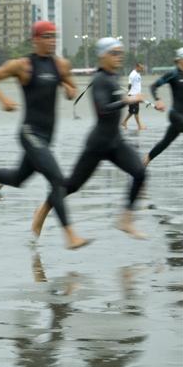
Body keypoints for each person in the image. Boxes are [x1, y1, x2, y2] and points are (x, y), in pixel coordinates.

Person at [0, 21, 90, 250]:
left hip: (47, 136)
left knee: (19, 179)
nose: (52, 41)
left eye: (54, 36)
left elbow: (71, 86)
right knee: (58, 181)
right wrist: (3, 99)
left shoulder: (61, 65)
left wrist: (70, 90)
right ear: (35, 39)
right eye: (46, 36)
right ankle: (70, 235)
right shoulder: (23, 65)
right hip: (30, 133)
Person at [48, 38, 147, 239]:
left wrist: (126, 100)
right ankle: (43, 210)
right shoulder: (100, 80)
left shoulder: (113, 77)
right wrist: (126, 100)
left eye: (120, 53)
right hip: (98, 144)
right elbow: (103, 110)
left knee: (140, 173)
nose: (119, 57)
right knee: (72, 186)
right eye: (114, 53)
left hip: (115, 142)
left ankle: (125, 220)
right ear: (103, 56)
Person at [144, 47, 183, 166]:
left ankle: (146, 160)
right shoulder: (173, 74)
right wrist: (158, 100)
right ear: (180, 59)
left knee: (165, 142)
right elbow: (153, 86)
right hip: (175, 114)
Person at [121, 63, 145, 131]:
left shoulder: (138, 74)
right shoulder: (132, 74)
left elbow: (137, 85)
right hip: (133, 95)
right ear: (137, 67)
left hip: (137, 95)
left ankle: (124, 122)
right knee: (136, 112)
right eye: (141, 68)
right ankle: (139, 126)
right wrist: (129, 92)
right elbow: (129, 84)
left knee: (132, 111)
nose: (142, 69)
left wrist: (139, 94)